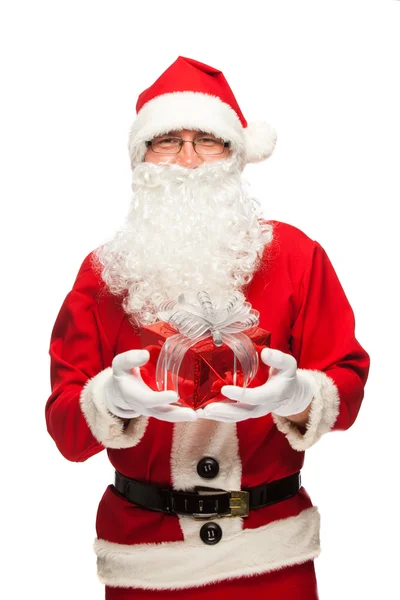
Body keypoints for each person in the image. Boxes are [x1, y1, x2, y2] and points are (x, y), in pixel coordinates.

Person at [46, 56, 370, 599]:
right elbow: (65, 429)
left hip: (273, 557)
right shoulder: (102, 273)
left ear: (236, 157)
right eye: (167, 140)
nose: (188, 160)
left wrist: (297, 396)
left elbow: (349, 380)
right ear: (141, 159)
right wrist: (111, 404)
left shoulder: (295, 254)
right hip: (146, 561)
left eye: (208, 141)